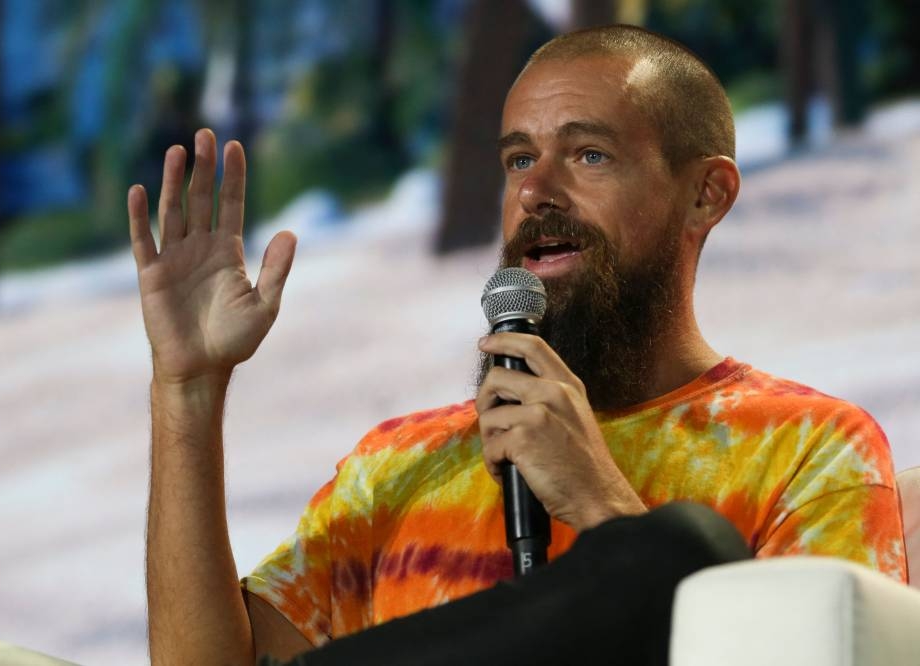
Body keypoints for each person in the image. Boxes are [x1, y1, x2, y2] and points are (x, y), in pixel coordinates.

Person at [128, 25, 907, 666]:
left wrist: (602, 508)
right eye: (519, 159)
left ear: (706, 194)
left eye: (589, 154)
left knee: (681, 550)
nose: (535, 191)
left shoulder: (808, 446)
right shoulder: (395, 465)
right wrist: (186, 386)